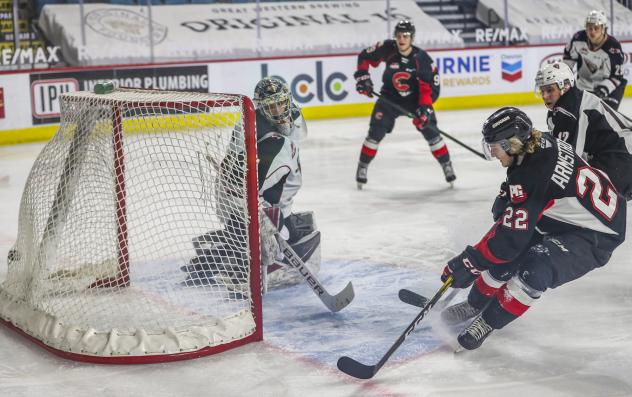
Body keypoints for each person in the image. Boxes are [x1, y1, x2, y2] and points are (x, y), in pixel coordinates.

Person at [438, 107, 626, 351]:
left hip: (597, 233)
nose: (493, 153)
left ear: (512, 143)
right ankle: (475, 304)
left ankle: (487, 321)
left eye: (494, 146)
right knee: (507, 252)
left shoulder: (533, 174)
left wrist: (470, 262)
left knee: (536, 268)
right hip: (568, 215)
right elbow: (529, 194)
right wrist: (508, 196)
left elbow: (508, 242)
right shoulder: (540, 143)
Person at [182, 77, 321, 292]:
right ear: (261, 107)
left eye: (280, 103)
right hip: (238, 195)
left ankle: (223, 251)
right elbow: (240, 178)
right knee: (270, 239)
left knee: (276, 230)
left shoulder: (286, 116)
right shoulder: (267, 141)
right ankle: (224, 262)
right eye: (270, 106)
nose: (277, 110)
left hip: (254, 188)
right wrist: (260, 213)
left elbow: (297, 134)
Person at [353, 20, 455, 189]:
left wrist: (425, 109)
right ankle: (362, 166)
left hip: (415, 102)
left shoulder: (421, 59)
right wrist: (363, 77)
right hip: (389, 99)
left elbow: (428, 89)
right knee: (375, 132)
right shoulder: (388, 48)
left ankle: (446, 164)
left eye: (406, 36)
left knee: (432, 133)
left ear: (412, 38)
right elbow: (364, 56)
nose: (401, 39)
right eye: (399, 35)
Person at [535, 61, 632, 200]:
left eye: (550, 90)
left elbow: (566, 161)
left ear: (566, 86)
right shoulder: (571, 101)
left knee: (577, 194)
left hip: (622, 158)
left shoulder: (568, 109)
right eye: (542, 90)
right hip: (619, 154)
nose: (545, 96)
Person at [563, 10, 626, 110]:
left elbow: (617, 76)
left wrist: (604, 88)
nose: (592, 31)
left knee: (604, 119)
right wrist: (566, 79)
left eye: (596, 28)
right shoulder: (578, 38)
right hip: (584, 85)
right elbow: (567, 62)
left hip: (611, 88)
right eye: (589, 28)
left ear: (603, 29)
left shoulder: (613, 47)